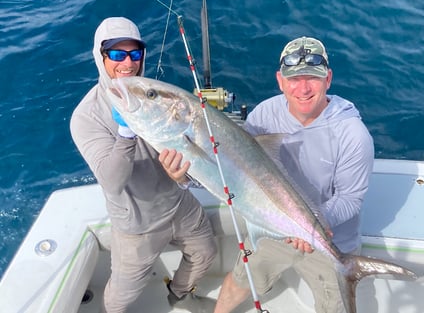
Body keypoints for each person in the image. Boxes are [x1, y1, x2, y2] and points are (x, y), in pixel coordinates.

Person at [212, 36, 375, 313]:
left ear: (328, 79)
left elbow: (350, 198)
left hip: (330, 240)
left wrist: (312, 228)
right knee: (240, 281)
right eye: (293, 79)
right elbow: (240, 169)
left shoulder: (352, 134)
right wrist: (183, 175)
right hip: (272, 225)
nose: (302, 88)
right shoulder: (264, 115)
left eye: (312, 78)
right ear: (280, 80)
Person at [70, 17, 217, 313]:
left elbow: (190, 154)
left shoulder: (157, 95)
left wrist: (183, 178)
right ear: (100, 57)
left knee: (206, 252)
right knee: (122, 296)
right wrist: (126, 131)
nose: (127, 62)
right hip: (137, 223)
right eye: (116, 54)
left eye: (134, 54)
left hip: (179, 204)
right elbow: (112, 182)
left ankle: (179, 294)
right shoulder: (86, 117)